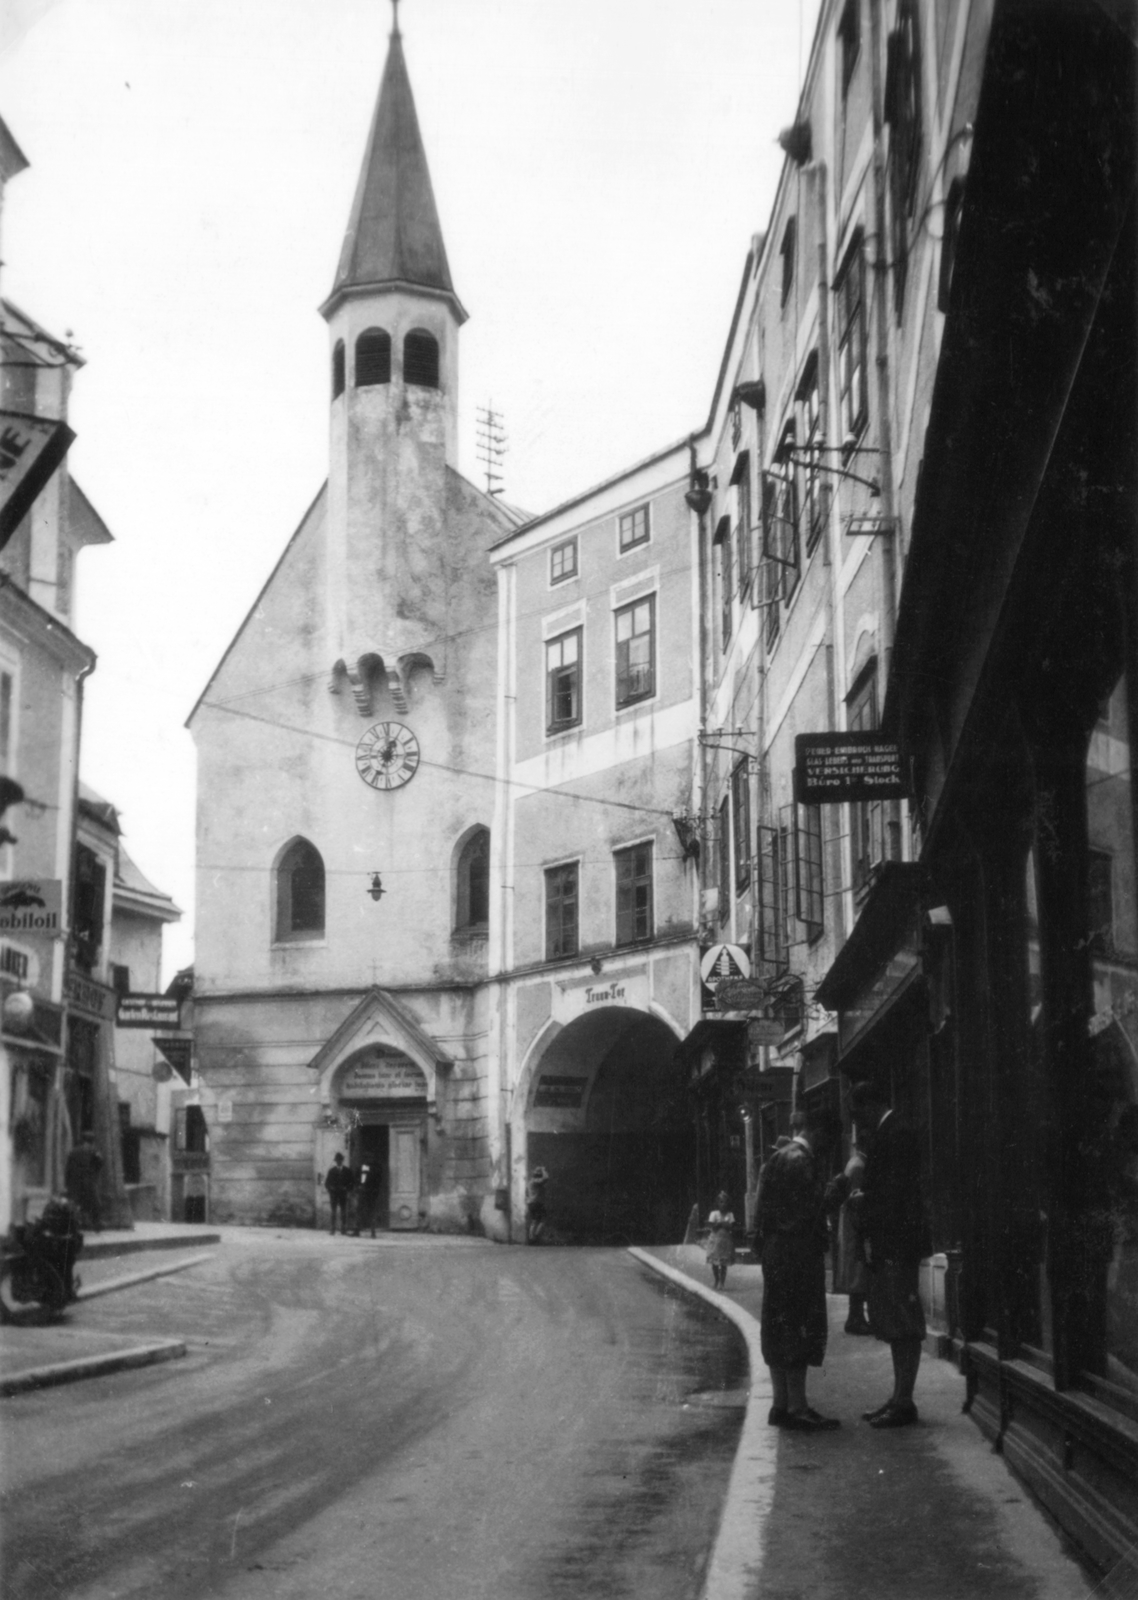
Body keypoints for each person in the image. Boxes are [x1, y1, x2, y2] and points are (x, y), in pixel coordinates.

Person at [848, 1080, 931, 1428]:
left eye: (858, 1114)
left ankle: (905, 1401)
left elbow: (896, 1194)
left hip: (898, 1243)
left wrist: (864, 1201)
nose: (858, 1122)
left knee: (904, 1323)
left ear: (870, 1105)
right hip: (893, 1242)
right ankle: (898, 1397)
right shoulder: (892, 1130)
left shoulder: (896, 1133)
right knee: (896, 1322)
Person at [754, 1106, 841, 1431]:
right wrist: (841, 1187)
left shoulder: (776, 1158)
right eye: (829, 1141)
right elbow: (814, 1211)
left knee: (777, 1325)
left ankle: (780, 1405)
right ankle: (799, 1407)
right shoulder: (804, 1162)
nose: (828, 1149)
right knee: (799, 1324)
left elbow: (761, 1211)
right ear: (819, 1133)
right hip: (798, 1253)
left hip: (775, 1252)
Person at [826, 1143, 872, 1334]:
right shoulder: (859, 1165)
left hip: (850, 1226)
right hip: (854, 1229)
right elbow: (856, 1199)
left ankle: (855, 1318)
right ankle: (856, 1319)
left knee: (856, 1275)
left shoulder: (854, 1162)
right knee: (858, 1275)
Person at [64, 1131, 103, 1232]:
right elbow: (100, 1162)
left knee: (75, 1203)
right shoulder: (94, 1150)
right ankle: (96, 1224)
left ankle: (73, 1225)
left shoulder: (73, 1151)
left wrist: (67, 1182)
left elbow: (68, 1168)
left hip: (75, 1181)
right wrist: (94, 1172)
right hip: (88, 1180)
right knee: (94, 1202)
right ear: (92, 1141)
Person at [704, 1191, 736, 1289]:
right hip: (715, 1242)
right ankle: (716, 1279)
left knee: (723, 1264)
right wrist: (720, 1224)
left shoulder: (730, 1214)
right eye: (721, 1202)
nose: (723, 1204)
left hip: (725, 1242)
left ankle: (722, 1282)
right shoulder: (714, 1214)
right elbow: (712, 1226)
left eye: (725, 1202)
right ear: (717, 1203)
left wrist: (722, 1224)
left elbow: (731, 1226)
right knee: (714, 1263)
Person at [324, 1152, 354, 1235]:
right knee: (333, 1212)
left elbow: (351, 1183)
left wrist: (346, 1188)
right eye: (337, 1160)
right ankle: (332, 1228)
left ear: (342, 1161)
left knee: (343, 1211)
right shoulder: (331, 1171)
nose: (339, 1162)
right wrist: (331, 1188)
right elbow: (327, 1183)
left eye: (340, 1160)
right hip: (334, 1194)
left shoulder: (347, 1171)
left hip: (343, 1194)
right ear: (335, 1161)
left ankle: (343, 1228)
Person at [353, 1162, 382, 1238]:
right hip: (361, 1193)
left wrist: (373, 1192)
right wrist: (358, 1188)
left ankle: (373, 1232)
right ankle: (357, 1230)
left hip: (370, 1194)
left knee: (372, 1211)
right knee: (359, 1211)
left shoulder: (375, 1170)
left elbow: (377, 1183)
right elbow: (355, 1180)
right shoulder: (359, 1169)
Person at [526, 1166, 549, 1243]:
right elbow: (546, 1178)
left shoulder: (530, 1182)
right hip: (537, 1203)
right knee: (543, 1220)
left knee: (534, 1221)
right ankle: (535, 1236)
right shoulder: (535, 1181)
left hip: (531, 1203)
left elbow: (527, 1193)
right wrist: (543, 1170)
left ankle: (531, 1238)